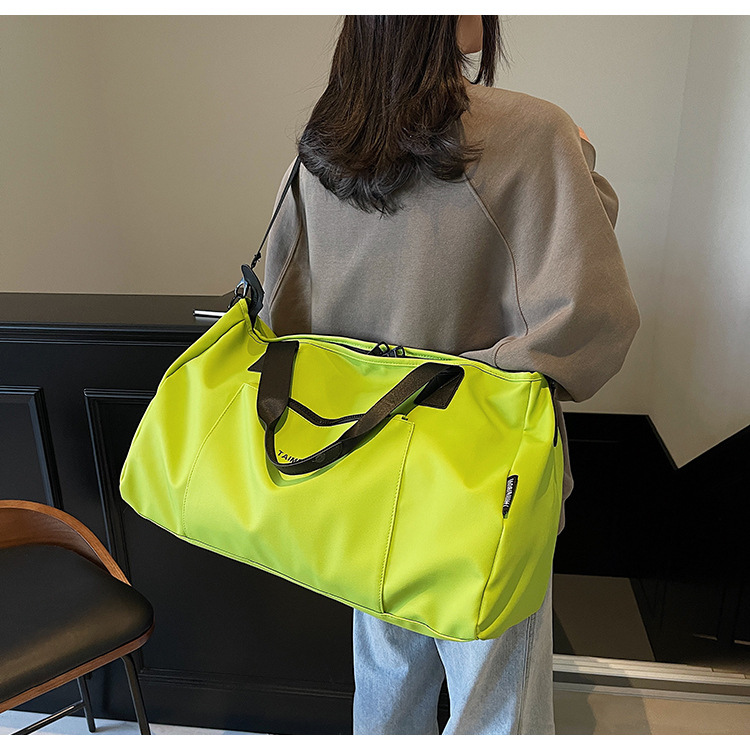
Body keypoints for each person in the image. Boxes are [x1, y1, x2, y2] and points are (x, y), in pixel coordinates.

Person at [259, 15, 640, 735]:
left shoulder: (326, 142)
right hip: (481, 474)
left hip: (357, 460)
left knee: (387, 673)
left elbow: (283, 308)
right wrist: (579, 161)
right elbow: (585, 311)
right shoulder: (532, 130)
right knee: (495, 701)